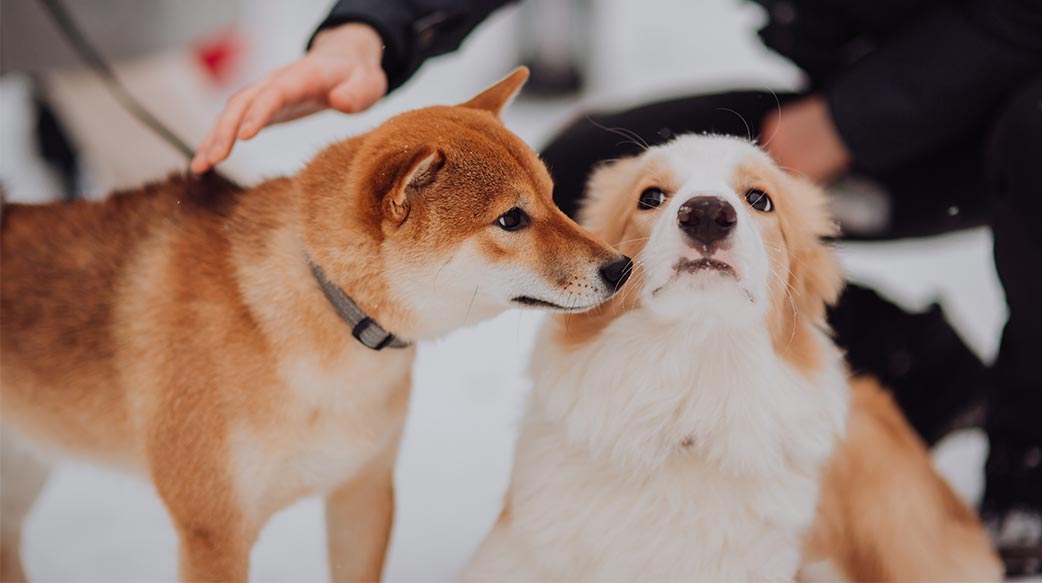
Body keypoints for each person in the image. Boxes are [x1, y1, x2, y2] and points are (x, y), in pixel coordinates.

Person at [192, 0, 1042, 574]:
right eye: (660, 200)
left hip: (1009, 87)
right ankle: (932, 369)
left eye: (749, 201)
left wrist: (856, 118)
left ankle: (1028, 453)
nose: (703, 212)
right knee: (559, 172)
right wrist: (370, 33)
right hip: (862, 75)